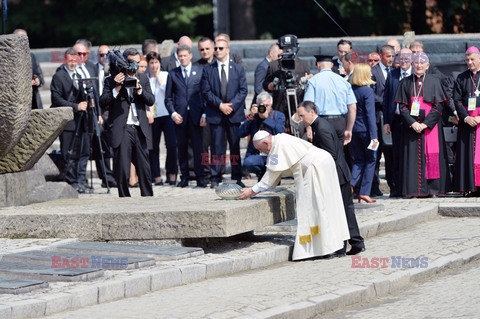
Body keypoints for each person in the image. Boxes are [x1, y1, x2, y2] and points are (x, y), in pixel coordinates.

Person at [239, 131, 350, 260]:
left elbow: (270, 177)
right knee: (330, 204)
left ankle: (321, 248)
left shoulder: (277, 147)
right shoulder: (280, 139)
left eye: (260, 149)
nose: (261, 152)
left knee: (314, 209)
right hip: (324, 162)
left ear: (266, 143)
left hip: (314, 168)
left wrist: (251, 191)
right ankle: (337, 245)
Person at [296, 101, 366, 256]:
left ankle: (346, 245)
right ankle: (354, 243)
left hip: (338, 176)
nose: (301, 119)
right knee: (344, 211)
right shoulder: (319, 125)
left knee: (341, 211)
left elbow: (330, 155)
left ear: (312, 112)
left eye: (302, 115)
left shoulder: (321, 129)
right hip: (339, 174)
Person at [394, 52, 451, 197]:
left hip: (430, 128)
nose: (419, 65)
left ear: (427, 66)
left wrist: (425, 124)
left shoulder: (435, 81)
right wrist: (413, 123)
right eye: (416, 62)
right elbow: (402, 107)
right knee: (413, 158)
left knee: (432, 155)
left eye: (422, 63)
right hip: (411, 128)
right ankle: (414, 190)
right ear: (412, 64)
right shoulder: (405, 82)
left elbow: (438, 107)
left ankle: (433, 190)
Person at [100, 48, 155, 197]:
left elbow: (151, 100)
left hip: (139, 128)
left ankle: (148, 199)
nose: (134, 66)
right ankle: (124, 199)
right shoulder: (111, 79)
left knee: (144, 169)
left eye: (137, 62)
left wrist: (139, 89)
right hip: (122, 129)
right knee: (123, 169)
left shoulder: (142, 78)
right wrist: (116, 87)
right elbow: (103, 102)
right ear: (124, 62)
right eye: (131, 62)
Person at [201, 37, 248, 188]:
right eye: (216, 48)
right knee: (216, 147)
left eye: (221, 48)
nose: (217, 51)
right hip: (216, 113)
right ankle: (215, 177)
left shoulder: (238, 68)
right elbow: (206, 92)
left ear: (227, 50)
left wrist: (232, 106)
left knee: (234, 146)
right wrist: (220, 105)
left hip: (233, 114)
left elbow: (243, 90)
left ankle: (236, 176)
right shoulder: (208, 70)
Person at [165, 45, 206, 188]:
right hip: (180, 117)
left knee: (198, 148)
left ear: (190, 56)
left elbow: (204, 94)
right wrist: (173, 113)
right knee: (181, 148)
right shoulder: (173, 74)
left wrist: (204, 113)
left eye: (184, 55)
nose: (182, 58)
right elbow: (168, 98)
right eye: (180, 56)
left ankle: (200, 176)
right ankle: (184, 176)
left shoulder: (200, 71)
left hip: (196, 116)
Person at [50, 48, 90, 193]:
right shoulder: (59, 76)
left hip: (81, 121)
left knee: (81, 152)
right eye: (70, 60)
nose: (72, 63)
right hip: (67, 121)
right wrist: (75, 106)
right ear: (65, 59)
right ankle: (71, 181)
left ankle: (80, 181)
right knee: (68, 153)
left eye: (75, 60)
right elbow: (56, 99)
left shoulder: (80, 75)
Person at [303, 55, 357, 148]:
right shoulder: (344, 81)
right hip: (340, 122)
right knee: (339, 153)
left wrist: (308, 127)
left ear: (318, 65)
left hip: (321, 121)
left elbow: (308, 106)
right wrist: (349, 129)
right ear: (332, 65)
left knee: (322, 153)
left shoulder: (313, 81)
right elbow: (353, 108)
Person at [383, 48, 413, 197]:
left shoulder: (416, 74)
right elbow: (387, 98)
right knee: (396, 155)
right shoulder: (392, 75)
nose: (404, 61)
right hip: (396, 121)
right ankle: (396, 188)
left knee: (411, 154)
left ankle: (411, 186)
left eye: (407, 58)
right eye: (401, 58)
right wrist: (386, 121)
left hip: (414, 122)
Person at [145, 51, 178, 187]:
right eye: (151, 63)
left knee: (171, 145)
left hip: (166, 114)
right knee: (153, 148)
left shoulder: (165, 75)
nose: (154, 65)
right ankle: (156, 176)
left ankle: (172, 174)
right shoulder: (145, 78)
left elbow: (168, 92)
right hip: (153, 116)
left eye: (156, 62)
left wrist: (158, 77)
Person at [453, 46, 480, 196]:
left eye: (472, 59)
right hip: (467, 122)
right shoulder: (462, 77)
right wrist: (466, 117)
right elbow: (456, 100)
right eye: (467, 60)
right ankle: (470, 186)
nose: (469, 62)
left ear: (479, 59)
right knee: (468, 155)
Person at [349, 64, 379, 202]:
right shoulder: (367, 91)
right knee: (371, 159)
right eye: (369, 72)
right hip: (366, 130)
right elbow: (370, 115)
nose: (372, 74)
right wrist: (374, 136)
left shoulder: (350, 89)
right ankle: (364, 192)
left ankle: (351, 184)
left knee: (359, 160)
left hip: (354, 130)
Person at [238, 92, 285, 179]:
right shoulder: (254, 117)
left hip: (273, 154)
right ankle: (262, 175)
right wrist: (251, 117)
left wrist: (267, 118)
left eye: (266, 105)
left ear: (271, 105)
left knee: (275, 175)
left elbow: (281, 132)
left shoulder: (278, 115)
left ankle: (271, 177)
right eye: (261, 105)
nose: (263, 108)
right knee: (248, 163)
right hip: (256, 154)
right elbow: (241, 133)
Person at [370, 44, 395, 197]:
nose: (391, 59)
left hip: (390, 119)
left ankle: (394, 186)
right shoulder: (373, 72)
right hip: (377, 118)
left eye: (392, 56)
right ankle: (374, 187)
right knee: (376, 155)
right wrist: (387, 101)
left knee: (391, 155)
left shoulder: (395, 72)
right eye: (388, 56)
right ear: (381, 56)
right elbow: (371, 95)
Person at [13, 29, 45, 109]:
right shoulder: (9, 57)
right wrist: (27, 83)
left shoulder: (32, 56)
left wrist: (37, 80)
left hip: (33, 102)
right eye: (21, 38)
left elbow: (40, 77)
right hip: (17, 103)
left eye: (25, 38)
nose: (24, 41)